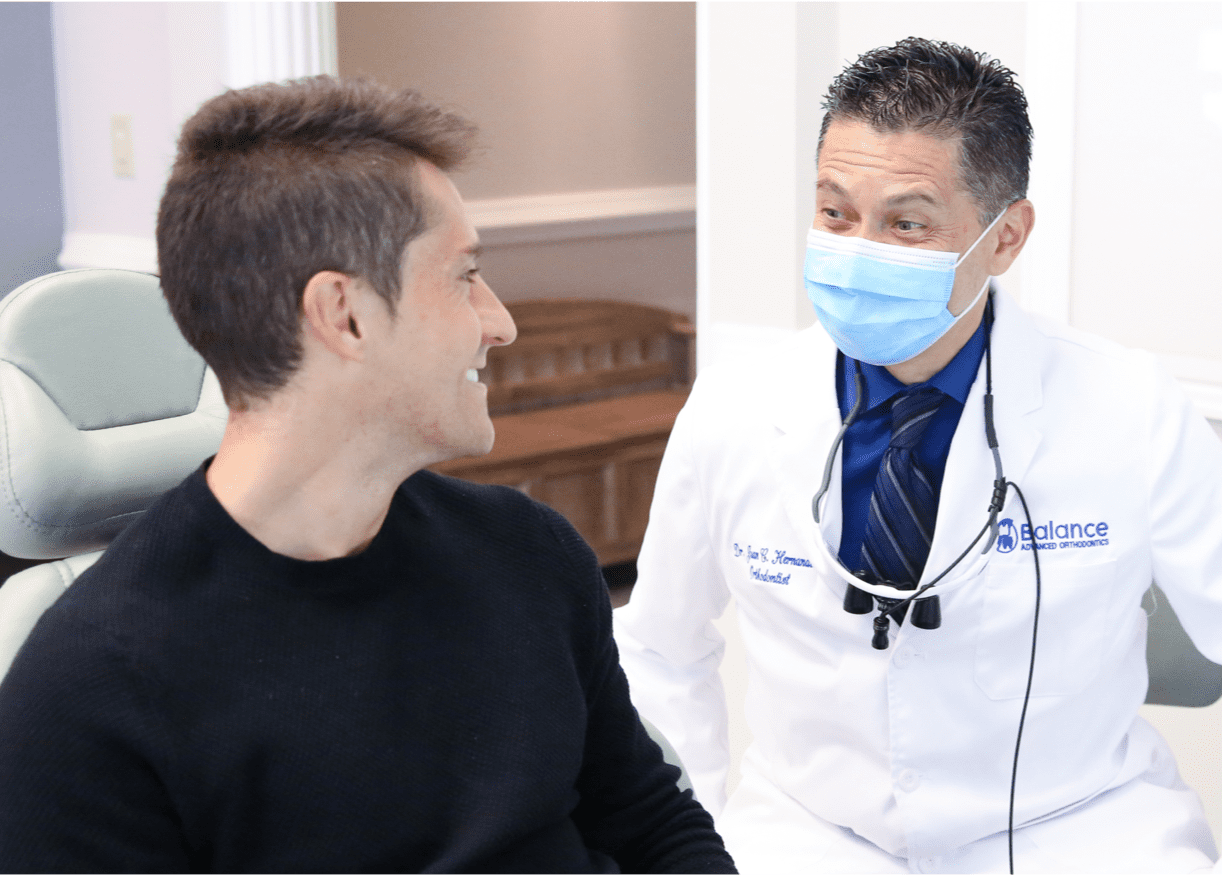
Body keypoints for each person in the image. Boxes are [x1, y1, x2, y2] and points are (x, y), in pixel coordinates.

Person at [0, 77, 735, 875]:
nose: (502, 322)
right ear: (343, 314)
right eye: (464, 276)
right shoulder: (89, 694)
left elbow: (653, 822)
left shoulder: (531, 553)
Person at [614, 37, 1222, 873]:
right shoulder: (735, 407)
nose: (857, 250)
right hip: (810, 834)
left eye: (906, 222)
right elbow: (660, 651)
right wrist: (698, 837)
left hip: (1082, 828)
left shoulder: (1131, 407)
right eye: (834, 213)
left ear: (1006, 237)